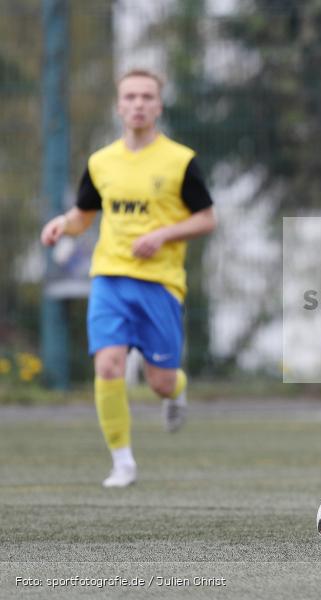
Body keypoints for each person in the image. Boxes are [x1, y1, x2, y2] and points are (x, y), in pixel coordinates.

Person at [40, 69, 216, 488]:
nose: (138, 103)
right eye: (131, 96)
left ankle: (176, 390)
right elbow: (84, 215)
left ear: (158, 105)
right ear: (119, 106)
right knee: (107, 365)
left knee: (160, 382)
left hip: (160, 284)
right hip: (110, 278)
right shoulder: (101, 162)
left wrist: (162, 235)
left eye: (147, 96)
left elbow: (207, 218)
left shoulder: (180, 161)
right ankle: (122, 463)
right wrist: (62, 224)